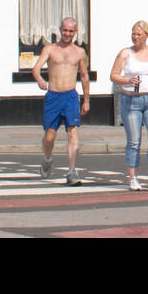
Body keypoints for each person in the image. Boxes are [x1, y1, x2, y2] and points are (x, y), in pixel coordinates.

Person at [109, 20, 148, 190]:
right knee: (134, 141)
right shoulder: (125, 53)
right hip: (131, 101)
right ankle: (133, 178)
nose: (135, 37)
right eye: (133, 34)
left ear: (146, 35)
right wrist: (128, 80)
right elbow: (114, 75)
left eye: (138, 34)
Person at [31, 17, 90, 184]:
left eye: (71, 31)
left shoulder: (79, 52)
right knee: (50, 137)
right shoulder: (50, 49)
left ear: (75, 32)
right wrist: (40, 80)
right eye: (65, 30)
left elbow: (84, 76)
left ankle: (72, 171)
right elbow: (36, 68)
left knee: (73, 133)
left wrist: (86, 100)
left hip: (70, 96)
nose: (67, 34)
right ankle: (47, 160)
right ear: (60, 30)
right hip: (53, 96)